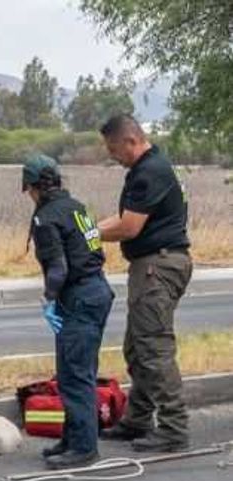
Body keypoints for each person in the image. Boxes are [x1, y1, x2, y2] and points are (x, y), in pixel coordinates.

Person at [96, 114, 193, 453]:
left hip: (158, 266)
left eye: (113, 148)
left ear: (131, 141)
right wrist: (88, 229)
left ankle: (173, 427)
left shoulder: (150, 172)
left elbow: (129, 227)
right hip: (154, 265)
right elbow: (121, 219)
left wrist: (87, 236)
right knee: (139, 349)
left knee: (154, 349)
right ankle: (137, 419)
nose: (111, 155)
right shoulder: (147, 169)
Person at [22, 154, 114, 469]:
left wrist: (49, 298)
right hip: (95, 289)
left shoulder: (46, 217)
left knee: (76, 376)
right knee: (71, 373)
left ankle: (85, 448)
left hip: (80, 297)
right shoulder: (76, 206)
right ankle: (72, 438)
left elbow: (58, 268)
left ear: (31, 187)